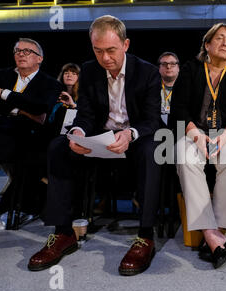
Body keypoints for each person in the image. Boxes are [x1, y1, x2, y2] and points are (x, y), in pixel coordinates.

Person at [28, 15, 162, 276]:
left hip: (134, 140)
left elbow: (152, 120)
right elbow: (86, 115)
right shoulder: (89, 70)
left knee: (152, 149)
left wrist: (130, 134)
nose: (105, 58)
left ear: (126, 44)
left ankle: (145, 235)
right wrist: (78, 132)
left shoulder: (148, 72)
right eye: (98, 51)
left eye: (111, 50)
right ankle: (63, 232)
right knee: (59, 147)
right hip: (100, 138)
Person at [170, 23, 226, 269]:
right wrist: (195, 135)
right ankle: (211, 234)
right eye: (219, 38)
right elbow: (179, 108)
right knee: (185, 157)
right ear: (207, 44)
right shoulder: (191, 69)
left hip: (224, 133)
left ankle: (218, 229)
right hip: (194, 131)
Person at [0, 38, 62, 214]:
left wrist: (2, 93)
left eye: (27, 51)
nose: (20, 54)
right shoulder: (0, 76)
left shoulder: (51, 84)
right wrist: (21, 110)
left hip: (26, 140)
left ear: (39, 58)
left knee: (36, 156)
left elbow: (41, 108)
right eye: (17, 51)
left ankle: (13, 203)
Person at [48, 63, 80, 137]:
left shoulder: (83, 96)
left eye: (74, 73)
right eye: (66, 73)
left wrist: (73, 105)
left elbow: (86, 116)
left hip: (71, 135)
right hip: (52, 133)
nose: (69, 75)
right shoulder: (54, 93)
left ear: (79, 77)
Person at [157, 52, 180, 127]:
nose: (168, 66)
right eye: (164, 64)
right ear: (159, 68)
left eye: (173, 63)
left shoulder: (186, 88)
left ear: (178, 68)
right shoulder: (151, 88)